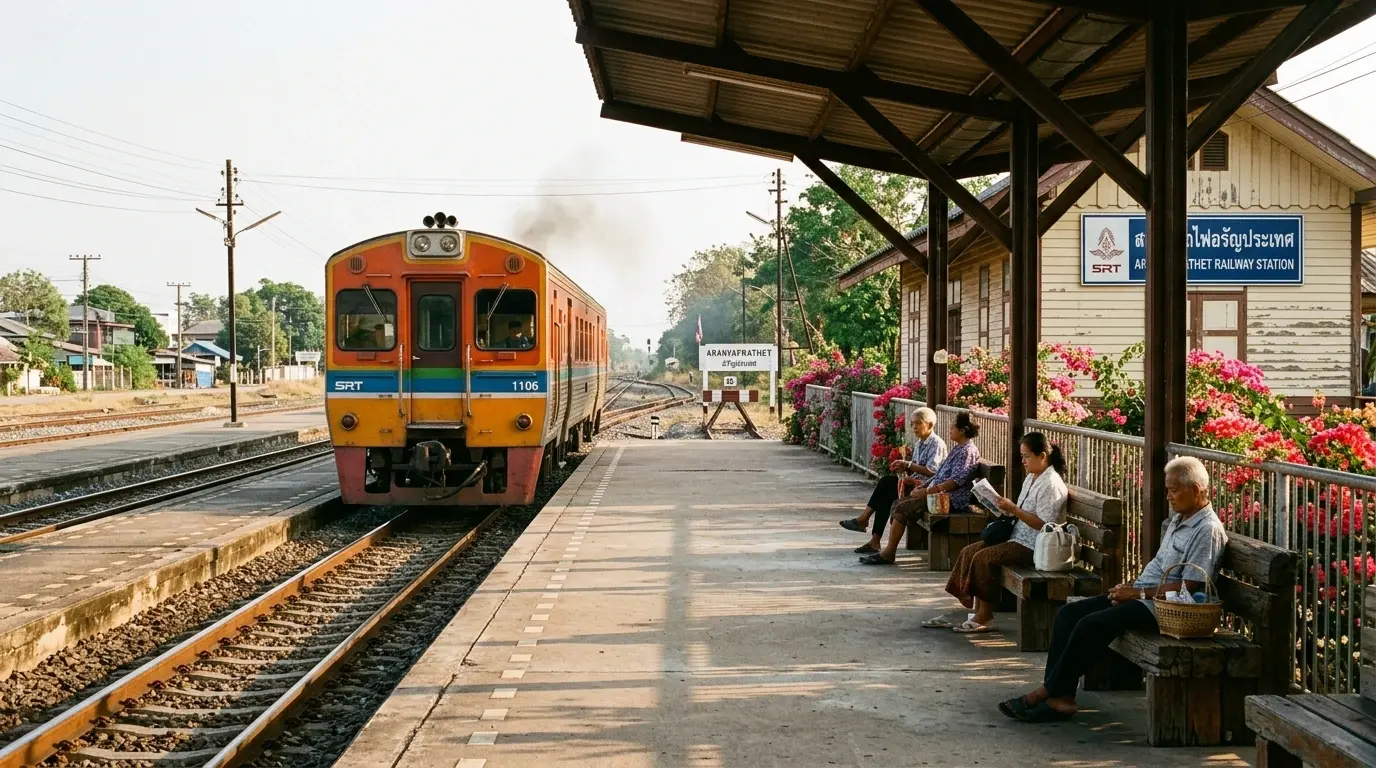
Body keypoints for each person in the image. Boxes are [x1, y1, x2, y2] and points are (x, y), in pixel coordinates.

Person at [999, 455, 1227, 723]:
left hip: (1167, 609)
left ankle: (1048, 692)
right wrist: (1131, 587)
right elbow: (1160, 565)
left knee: (1091, 625)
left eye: (1173, 490)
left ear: (1196, 490)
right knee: (1068, 614)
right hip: (1144, 596)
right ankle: (1062, 696)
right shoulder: (1179, 519)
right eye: (1167, 490)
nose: (1168, 496)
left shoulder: (1207, 529)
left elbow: (1191, 584)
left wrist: (1138, 594)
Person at [924, 432, 1068, 633]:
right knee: (969, 551)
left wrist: (1014, 509)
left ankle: (985, 616)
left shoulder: (1051, 484)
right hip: (1017, 536)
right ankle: (973, 609)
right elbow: (1022, 512)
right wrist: (999, 504)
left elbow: (1045, 524)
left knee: (984, 558)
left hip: (1035, 545)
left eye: (1026, 456)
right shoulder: (1032, 477)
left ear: (1042, 456)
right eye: (1022, 456)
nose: (1023, 461)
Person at [860, 411, 982, 566]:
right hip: (938, 493)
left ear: (963, 430)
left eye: (953, 426)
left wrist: (928, 491)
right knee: (898, 503)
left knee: (904, 508)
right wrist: (923, 486)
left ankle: (889, 553)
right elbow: (939, 475)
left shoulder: (967, 451)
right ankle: (884, 547)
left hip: (950, 499)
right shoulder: (958, 448)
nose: (950, 429)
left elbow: (955, 481)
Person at [840, 407, 947, 554]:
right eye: (912, 424)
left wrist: (908, 465)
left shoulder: (936, 444)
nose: (914, 427)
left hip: (925, 489)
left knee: (886, 487)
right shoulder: (919, 443)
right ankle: (871, 533)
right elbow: (917, 468)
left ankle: (867, 526)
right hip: (914, 484)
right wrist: (904, 468)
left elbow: (932, 471)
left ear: (929, 425)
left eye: (918, 423)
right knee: (886, 489)